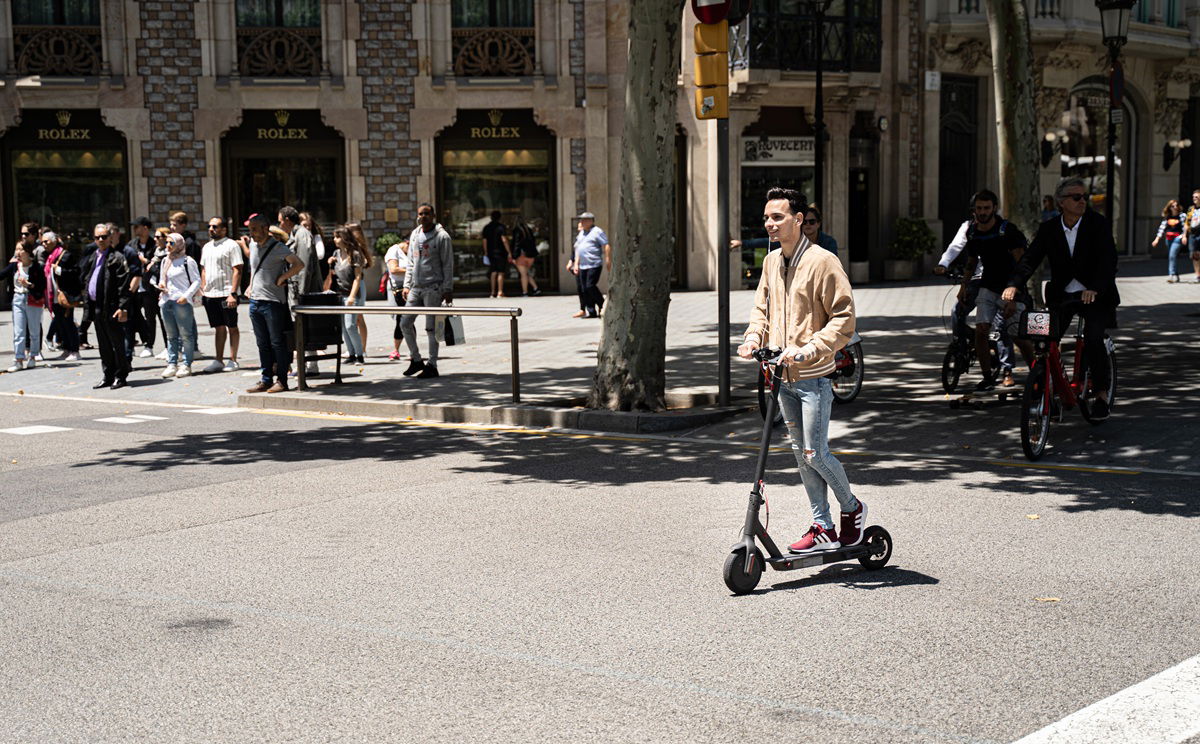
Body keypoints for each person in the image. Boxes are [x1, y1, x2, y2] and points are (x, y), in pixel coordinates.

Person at [737, 187, 864, 554]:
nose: (769, 224)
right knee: (799, 453)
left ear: (798, 219)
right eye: (766, 218)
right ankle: (822, 525)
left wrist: (810, 348)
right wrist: (751, 338)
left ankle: (852, 509)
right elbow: (761, 309)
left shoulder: (823, 261)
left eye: (777, 217)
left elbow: (844, 317)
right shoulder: (770, 262)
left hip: (814, 377)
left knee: (816, 454)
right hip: (782, 376)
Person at [1003, 176, 1120, 420]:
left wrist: (1095, 288)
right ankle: (1047, 389)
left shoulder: (1098, 224)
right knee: (1045, 342)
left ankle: (1100, 394)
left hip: (1095, 296)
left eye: (1084, 197)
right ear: (1061, 202)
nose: (1082, 201)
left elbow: (1109, 262)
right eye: (1076, 197)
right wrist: (1013, 285)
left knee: (1094, 340)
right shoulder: (1049, 229)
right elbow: (1030, 260)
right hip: (1062, 296)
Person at [956, 189, 1030, 390]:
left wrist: (1015, 292)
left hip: (1011, 288)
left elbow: (1022, 264)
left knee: (1018, 336)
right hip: (987, 287)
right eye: (979, 208)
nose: (982, 212)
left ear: (994, 208)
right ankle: (988, 377)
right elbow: (971, 262)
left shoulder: (1007, 231)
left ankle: (1038, 372)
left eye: (986, 208)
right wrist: (964, 286)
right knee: (981, 331)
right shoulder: (972, 232)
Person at [245, 213, 304, 393]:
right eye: (250, 230)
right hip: (255, 301)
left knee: (277, 342)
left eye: (254, 229)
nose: (252, 233)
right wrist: (250, 286)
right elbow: (254, 270)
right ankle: (266, 379)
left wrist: (283, 277)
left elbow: (299, 264)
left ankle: (282, 380)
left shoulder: (278, 247)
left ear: (265, 228)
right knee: (262, 343)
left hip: (272, 302)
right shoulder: (252, 246)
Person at [401, 202, 453, 379]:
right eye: (420, 214)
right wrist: (407, 285)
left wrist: (447, 288)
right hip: (416, 288)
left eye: (426, 214)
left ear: (433, 216)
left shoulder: (442, 237)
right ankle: (416, 359)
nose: (423, 217)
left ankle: (432, 364)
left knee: (432, 328)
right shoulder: (415, 234)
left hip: (434, 288)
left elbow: (448, 264)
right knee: (405, 323)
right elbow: (410, 262)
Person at [79, 222, 132, 389]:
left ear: (110, 238)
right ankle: (108, 375)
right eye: (97, 237)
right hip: (97, 307)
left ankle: (121, 375)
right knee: (103, 345)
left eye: (104, 237)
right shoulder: (93, 257)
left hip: (112, 307)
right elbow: (86, 279)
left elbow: (124, 285)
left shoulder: (117, 257)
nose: (101, 240)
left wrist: (122, 307)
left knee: (117, 343)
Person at [279, 205, 323, 374]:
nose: (279, 224)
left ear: (287, 220)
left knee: (302, 326)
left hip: (302, 291)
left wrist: (301, 294)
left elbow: (303, 267)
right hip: (297, 289)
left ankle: (308, 366)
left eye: (280, 220)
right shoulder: (296, 234)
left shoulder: (302, 235)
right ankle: (308, 365)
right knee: (301, 327)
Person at [198, 216, 243, 373]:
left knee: (232, 326)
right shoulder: (206, 247)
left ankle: (233, 360)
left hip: (226, 293)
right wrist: (203, 288)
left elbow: (237, 269)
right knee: (218, 327)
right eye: (210, 226)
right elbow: (203, 269)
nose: (211, 229)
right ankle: (218, 360)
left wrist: (233, 293)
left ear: (224, 229)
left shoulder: (232, 245)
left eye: (215, 226)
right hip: (211, 294)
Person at [157, 233, 201, 378]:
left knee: (186, 335)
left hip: (181, 301)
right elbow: (163, 278)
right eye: (167, 242)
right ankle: (172, 364)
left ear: (180, 244)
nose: (168, 245)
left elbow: (196, 281)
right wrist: (162, 284)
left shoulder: (188, 261)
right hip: (166, 300)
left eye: (172, 243)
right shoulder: (165, 260)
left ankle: (187, 364)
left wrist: (186, 296)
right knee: (171, 336)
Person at [325, 224, 367, 364]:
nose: (335, 239)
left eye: (337, 237)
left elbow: (357, 277)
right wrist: (330, 264)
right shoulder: (336, 254)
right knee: (343, 326)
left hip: (351, 295)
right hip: (339, 294)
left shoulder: (355, 254)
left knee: (350, 325)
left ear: (344, 238)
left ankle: (360, 355)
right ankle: (352, 354)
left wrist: (352, 296)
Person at [2, 242, 46, 372]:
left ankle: (33, 356)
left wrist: (29, 285)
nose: (17, 252)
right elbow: (1, 275)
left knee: (34, 331)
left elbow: (42, 285)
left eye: (20, 249)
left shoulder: (37, 267)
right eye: (16, 249)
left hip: (32, 299)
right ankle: (18, 360)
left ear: (28, 252)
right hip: (18, 299)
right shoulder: (14, 266)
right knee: (19, 332)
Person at [567, 211, 610, 318]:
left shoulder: (597, 231)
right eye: (581, 220)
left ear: (591, 221)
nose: (581, 222)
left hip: (594, 264)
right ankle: (591, 311)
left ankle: (602, 304)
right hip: (582, 265)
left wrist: (608, 259)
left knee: (590, 286)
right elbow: (578, 250)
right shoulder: (582, 233)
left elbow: (606, 245)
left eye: (584, 220)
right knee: (584, 288)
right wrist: (575, 264)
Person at [124, 217, 155, 359]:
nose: (135, 229)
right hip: (135, 287)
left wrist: (146, 261)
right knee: (133, 316)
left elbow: (158, 266)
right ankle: (132, 344)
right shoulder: (131, 245)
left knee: (150, 317)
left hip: (149, 288)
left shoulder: (154, 245)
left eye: (137, 227)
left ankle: (149, 345)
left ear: (145, 228)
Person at [347, 222, 372, 354]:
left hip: (358, 284)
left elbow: (365, 263)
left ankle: (362, 348)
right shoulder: (352, 248)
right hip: (354, 284)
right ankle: (358, 348)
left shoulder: (358, 249)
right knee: (357, 317)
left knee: (358, 317)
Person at [383, 239, 409, 361]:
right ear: (406, 243)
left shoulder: (410, 252)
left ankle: (401, 350)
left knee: (405, 318)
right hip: (398, 290)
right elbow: (394, 269)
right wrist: (412, 270)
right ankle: (403, 350)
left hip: (409, 288)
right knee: (404, 318)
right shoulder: (394, 250)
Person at [1153, 199, 1186, 283]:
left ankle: (1171, 275)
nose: (1175, 207)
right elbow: (1162, 228)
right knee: (1172, 257)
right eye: (1173, 206)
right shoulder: (1167, 216)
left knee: (1172, 255)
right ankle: (1176, 274)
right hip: (1168, 238)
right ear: (1169, 207)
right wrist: (1156, 239)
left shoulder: (1182, 216)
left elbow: (1185, 227)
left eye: (1176, 206)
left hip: (1177, 238)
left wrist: (1183, 236)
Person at [482, 210, 512, 298]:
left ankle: (492, 292)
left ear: (491, 217)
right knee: (501, 272)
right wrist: (509, 251)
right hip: (500, 252)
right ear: (499, 218)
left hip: (491, 252)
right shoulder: (501, 227)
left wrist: (486, 252)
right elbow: (504, 240)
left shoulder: (486, 227)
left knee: (493, 271)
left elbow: (484, 241)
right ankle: (500, 292)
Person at [511, 215, 542, 296]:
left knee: (523, 274)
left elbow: (516, 244)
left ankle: (525, 292)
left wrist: (514, 256)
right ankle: (536, 288)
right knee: (526, 273)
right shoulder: (528, 230)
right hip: (530, 255)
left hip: (521, 256)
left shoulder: (517, 230)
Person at [1184, 189, 1200, 284]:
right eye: (1193, 197)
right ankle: (1197, 275)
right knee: (1195, 255)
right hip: (1193, 234)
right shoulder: (1191, 209)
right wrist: (1184, 235)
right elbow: (1187, 222)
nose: (1194, 199)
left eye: (1196, 197)